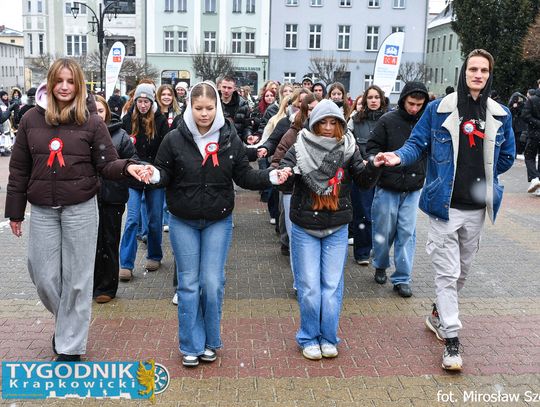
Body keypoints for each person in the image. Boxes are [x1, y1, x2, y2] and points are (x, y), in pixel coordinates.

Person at [380, 49, 515, 370]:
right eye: (473, 69)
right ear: (464, 72)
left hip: (477, 208)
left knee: (462, 272)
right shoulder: (438, 109)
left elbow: (508, 155)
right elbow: (417, 144)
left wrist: (485, 173)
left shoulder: (501, 114)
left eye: (484, 70)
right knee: (447, 273)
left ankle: (439, 312)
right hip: (444, 206)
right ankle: (452, 339)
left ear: (489, 75)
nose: (478, 75)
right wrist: (398, 156)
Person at [4, 58, 145, 361]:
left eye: (70, 81)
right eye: (59, 81)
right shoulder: (30, 119)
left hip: (81, 208)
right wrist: (15, 212)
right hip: (43, 209)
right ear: (50, 83)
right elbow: (18, 169)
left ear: (79, 85)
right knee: (43, 275)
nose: (65, 87)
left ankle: (70, 346)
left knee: (78, 280)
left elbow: (107, 163)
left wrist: (128, 167)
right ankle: (66, 323)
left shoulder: (91, 121)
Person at [142, 81, 291, 367]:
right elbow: (163, 172)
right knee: (188, 284)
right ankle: (191, 344)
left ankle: (210, 341)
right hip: (183, 219)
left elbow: (244, 175)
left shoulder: (229, 137)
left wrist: (270, 176)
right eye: (198, 108)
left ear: (217, 108)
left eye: (209, 108)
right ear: (190, 107)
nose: (204, 114)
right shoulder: (174, 139)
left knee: (211, 283)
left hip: (218, 220)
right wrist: (154, 175)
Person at [279, 99, 383, 360]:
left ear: (341, 124)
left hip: (337, 226)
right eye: (322, 122)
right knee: (309, 287)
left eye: (333, 122)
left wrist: (374, 165)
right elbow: (283, 178)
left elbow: (363, 180)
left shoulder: (348, 146)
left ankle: (328, 337)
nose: (327, 127)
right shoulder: (299, 145)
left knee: (332, 286)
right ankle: (308, 337)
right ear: (313, 123)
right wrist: (284, 174)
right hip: (305, 227)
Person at [366, 82, 429, 296]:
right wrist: (378, 159)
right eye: (411, 103)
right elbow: (372, 147)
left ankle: (402, 277)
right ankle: (380, 263)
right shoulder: (387, 120)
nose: (414, 108)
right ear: (403, 100)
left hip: (413, 187)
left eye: (419, 105)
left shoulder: (426, 122)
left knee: (407, 232)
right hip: (387, 185)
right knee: (383, 229)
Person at [119, 83, 169, 282]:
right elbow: (123, 148)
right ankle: (126, 264)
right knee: (132, 219)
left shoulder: (161, 121)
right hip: (133, 175)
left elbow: (165, 148)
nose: (142, 105)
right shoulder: (127, 120)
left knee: (155, 219)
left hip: (154, 175)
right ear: (135, 101)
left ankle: (154, 255)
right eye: (139, 101)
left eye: (146, 101)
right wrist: (135, 166)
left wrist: (153, 169)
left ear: (151, 102)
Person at [93, 95, 137, 304]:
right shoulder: (82, 133)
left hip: (113, 197)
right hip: (87, 198)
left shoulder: (120, 135)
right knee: (90, 243)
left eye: (101, 111)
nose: (97, 115)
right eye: (93, 111)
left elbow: (132, 161)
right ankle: (90, 283)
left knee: (109, 242)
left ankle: (107, 287)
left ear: (107, 112)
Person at [347, 86, 388, 266]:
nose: (373, 101)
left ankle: (378, 252)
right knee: (363, 214)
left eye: (376, 97)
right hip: (362, 173)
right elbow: (348, 143)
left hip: (385, 174)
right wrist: (359, 160)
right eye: (370, 97)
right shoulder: (355, 120)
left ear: (381, 100)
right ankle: (362, 252)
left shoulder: (389, 119)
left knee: (382, 216)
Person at [218, 75, 251, 143]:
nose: (226, 90)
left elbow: (247, 126)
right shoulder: (213, 102)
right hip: (216, 142)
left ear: (234, 88)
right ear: (220, 86)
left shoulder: (243, 104)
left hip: (236, 142)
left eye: (229, 88)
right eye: (224, 87)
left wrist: (248, 136)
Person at [521, 87, 540, 195]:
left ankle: (535, 178)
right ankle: (537, 182)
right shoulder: (533, 100)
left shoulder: (532, 100)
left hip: (534, 134)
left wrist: (536, 123)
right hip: (534, 133)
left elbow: (525, 116)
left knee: (529, 156)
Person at [507, 91, 528, 156]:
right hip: (514, 123)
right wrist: (513, 107)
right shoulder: (512, 104)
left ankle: (515, 153)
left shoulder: (522, 104)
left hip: (518, 124)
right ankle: (512, 152)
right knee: (512, 138)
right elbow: (510, 111)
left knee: (517, 139)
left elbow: (522, 113)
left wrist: (518, 107)